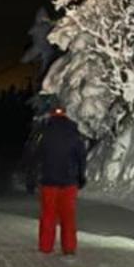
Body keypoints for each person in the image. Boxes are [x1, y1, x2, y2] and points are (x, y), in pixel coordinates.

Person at [33, 103, 86, 254]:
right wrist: (81, 176)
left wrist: (33, 176)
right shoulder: (74, 132)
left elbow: (36, 156)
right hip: (69, 182)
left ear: (51, 114)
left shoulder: (44, 132)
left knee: (48, 215)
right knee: (68, 216)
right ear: (65, 114)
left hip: (49, 181)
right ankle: (69, 247)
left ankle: (46, 246)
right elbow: (81, 157)